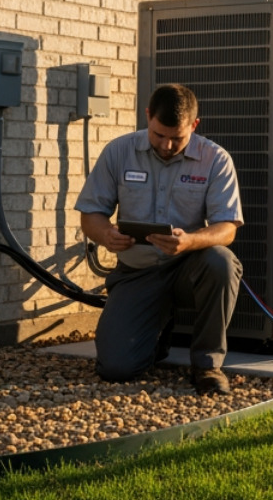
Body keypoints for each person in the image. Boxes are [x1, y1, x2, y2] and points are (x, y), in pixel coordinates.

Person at [75, 83, 244, 395]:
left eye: (176, 138)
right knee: (116, 369)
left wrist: (190, 241)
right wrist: (105, 235)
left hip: (188, 267)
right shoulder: (118, 151)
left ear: (194, 125)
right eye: (158, 135)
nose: (166, 145)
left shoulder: (216, 159)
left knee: (222, 262)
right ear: (148, 116)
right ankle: (156, 332)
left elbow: (227, 228)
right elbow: (91, 215)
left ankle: (207, 366)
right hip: (136, 273)